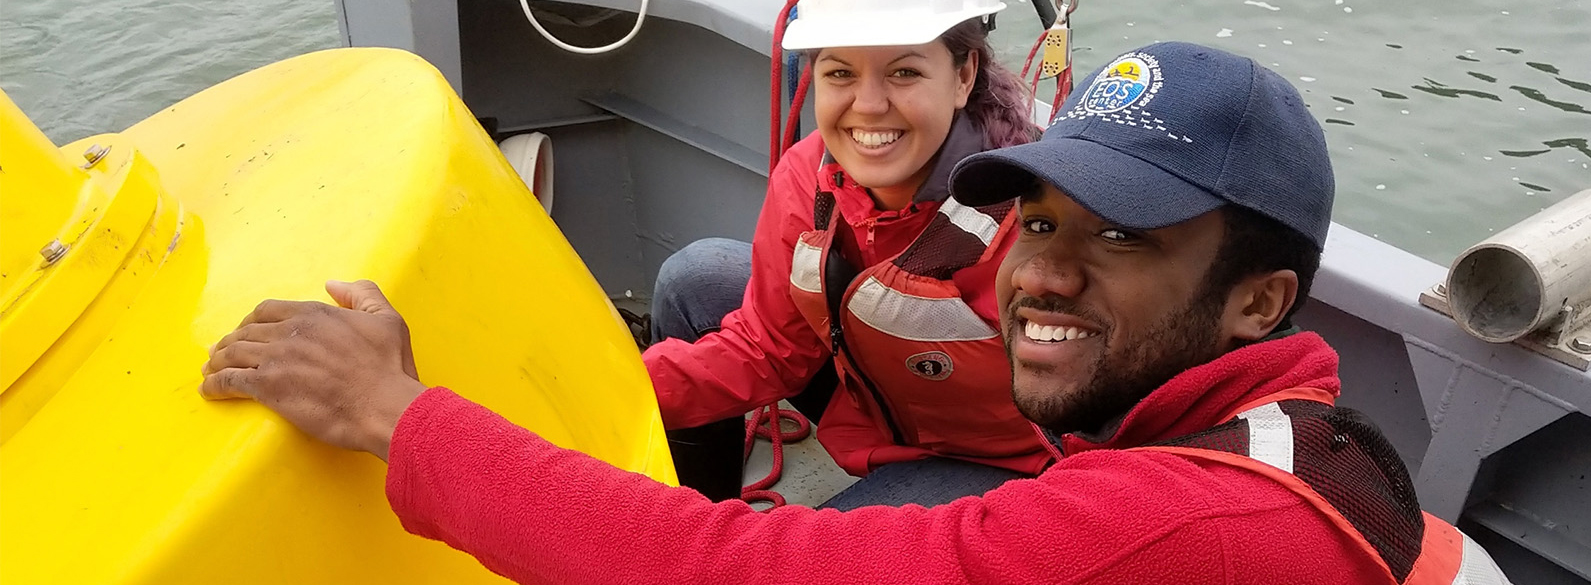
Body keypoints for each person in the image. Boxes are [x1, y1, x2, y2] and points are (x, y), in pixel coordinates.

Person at [199, 42, 1512, 584]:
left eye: (1119, 239)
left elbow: (733, 569)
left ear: (1257, 299)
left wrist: (408, 421)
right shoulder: (1270, 422)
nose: (1044, 270)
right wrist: (589, 409)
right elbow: (760, 343)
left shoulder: (1163, 520)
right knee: (699, 286)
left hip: (954, 485)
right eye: (1042, 220)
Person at [643, 0, 1047, 504]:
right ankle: (694, 520)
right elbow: (770, 348)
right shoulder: (806, 177)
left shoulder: (1038, 219)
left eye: (904, 71)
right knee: (695, 280)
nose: (869, 104)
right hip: (875, 404)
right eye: (840, 72)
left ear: (963, 75)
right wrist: (607, 391)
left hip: (1001, 463)